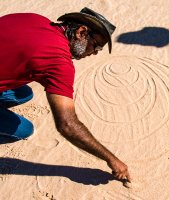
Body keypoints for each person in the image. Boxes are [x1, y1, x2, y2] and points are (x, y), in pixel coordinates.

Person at [0, 7, 131, 182]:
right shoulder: (58, 62)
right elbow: (67, 125)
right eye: (96, 46)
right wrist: (112, 160)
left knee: (24, 93)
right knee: (25, 130)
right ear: (81, 32)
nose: (94, 53)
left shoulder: (37, 20)